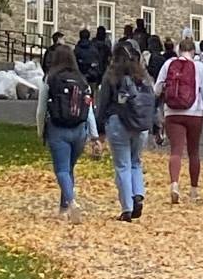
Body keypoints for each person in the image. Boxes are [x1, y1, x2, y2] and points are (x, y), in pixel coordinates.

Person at [155, 37, 203, 204]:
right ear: (193, 52)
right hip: (194, 113)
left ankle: (175, 184)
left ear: (179, 50)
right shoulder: (199, 67)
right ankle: (193, 190)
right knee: (193, 152)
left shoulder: (168, 64)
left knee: (175, 151)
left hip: (172, 113)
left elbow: (157, 89)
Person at [36, 44, 97, 222]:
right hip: (79, 130)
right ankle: (64, 208)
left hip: (58, 128)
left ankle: (71, 202)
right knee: (69, 169)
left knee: (62, 170)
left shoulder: (50, 78)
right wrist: (94, 135)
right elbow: (89, 110)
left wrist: (40, 130)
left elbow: (41, 108)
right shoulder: (82, 80)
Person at [97, 43, 155, 221]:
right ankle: (138, 194)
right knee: (136, 162)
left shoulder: (111, 75)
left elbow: (103, 103)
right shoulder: (142, 76)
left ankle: (127, 208)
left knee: (122, 165)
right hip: (140, 123)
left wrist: (100, 129)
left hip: (118, 122)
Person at [74, 28, 104, 93]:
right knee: (92, 95)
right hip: (92, 76)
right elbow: (99, 63)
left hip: (80, 76)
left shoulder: (77, 49)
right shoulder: (94, 48)